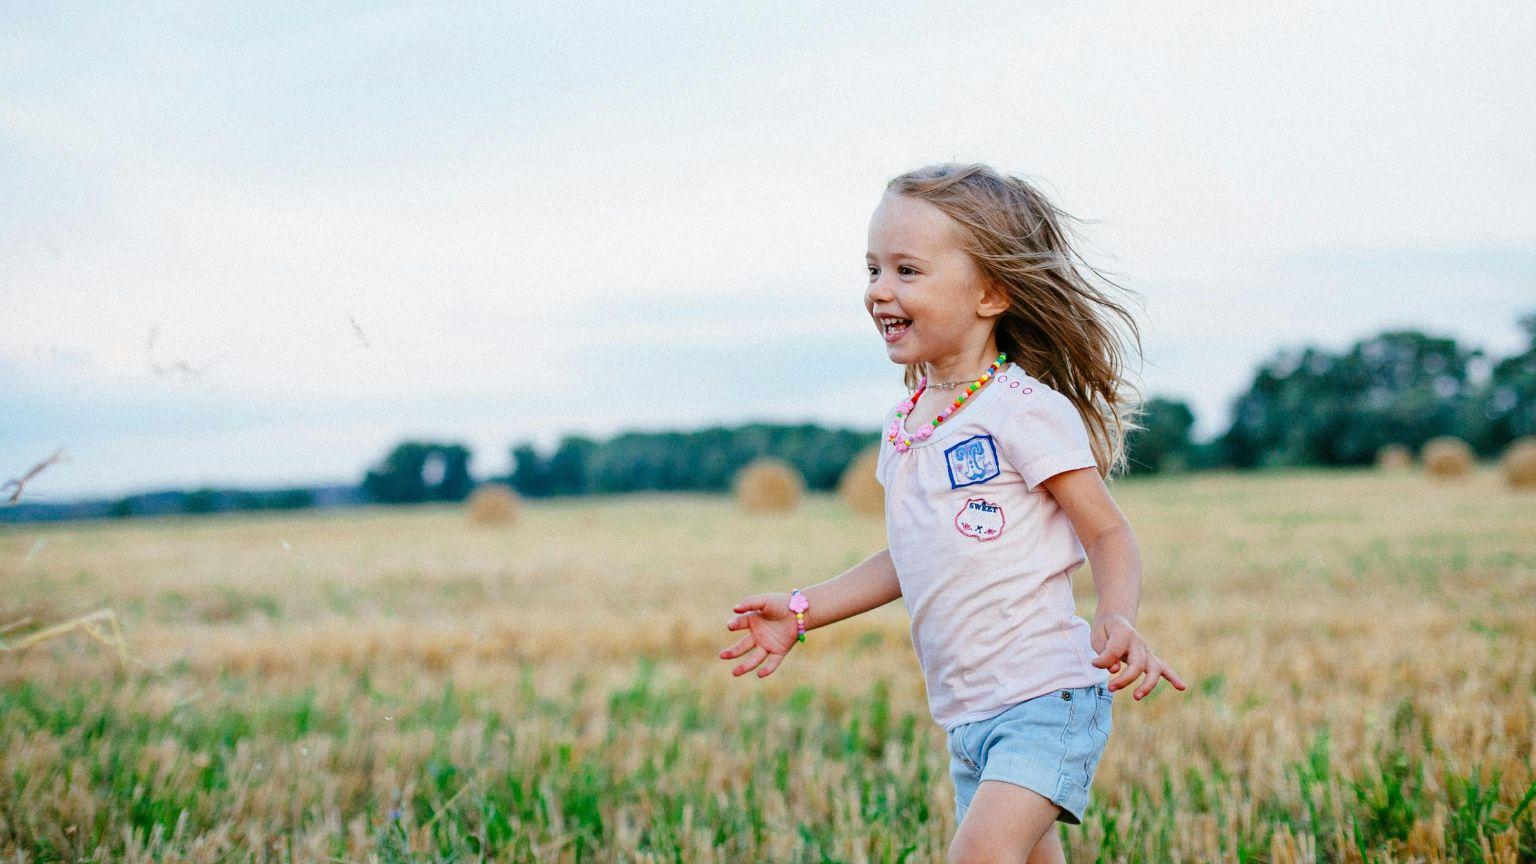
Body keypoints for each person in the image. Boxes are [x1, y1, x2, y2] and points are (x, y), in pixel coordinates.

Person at [718, 162, 1187, 863]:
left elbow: (1106, 530)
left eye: (907, 270)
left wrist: (1116, 616)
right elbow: (910, 554)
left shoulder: (1025, 411)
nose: (880, 290)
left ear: (991, 292)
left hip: (1044, 699)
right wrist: (804, 608)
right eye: (873, 269)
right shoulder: (907, 423)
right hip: (968, 716)